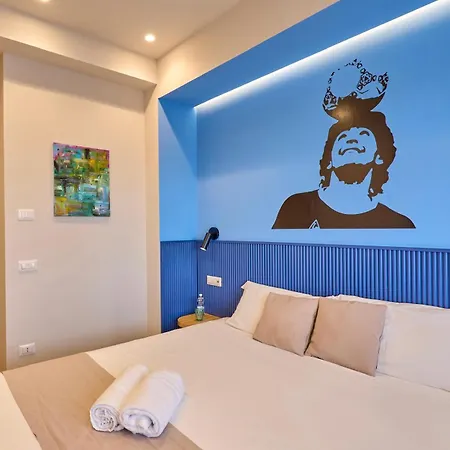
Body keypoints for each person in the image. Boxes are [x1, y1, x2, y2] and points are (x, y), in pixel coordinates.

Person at [273, 60, 415, 230]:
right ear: (329, 159)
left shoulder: (398, 224)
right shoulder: (296, 207)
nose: (351, 140)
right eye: (343, 136)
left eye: (363, 135)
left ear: (379, 156)